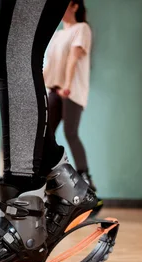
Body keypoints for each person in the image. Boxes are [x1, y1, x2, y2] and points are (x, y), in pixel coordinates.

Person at [0, 0, 100, 262]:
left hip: (68, 91)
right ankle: (66, 185)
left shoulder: (81, 29)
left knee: (13, 54)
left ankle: (21, 221)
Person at [44, 0, 96, 192]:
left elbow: (74, 58)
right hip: (55, 89)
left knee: (70, 133)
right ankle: (48, 177)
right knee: (46, 133)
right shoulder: (58, 34)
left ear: (74, 6)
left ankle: (85, 178)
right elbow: (50, 64)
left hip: (71, 91)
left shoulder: (82, 29)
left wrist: (67, 85)